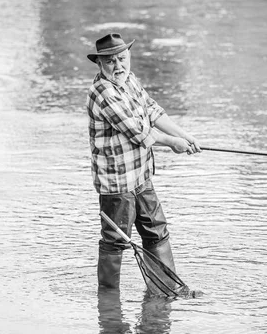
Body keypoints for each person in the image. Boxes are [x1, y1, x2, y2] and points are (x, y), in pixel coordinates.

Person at [86, 33, 201, 289]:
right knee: (115, 241)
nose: (118, 66)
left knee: (157, 231)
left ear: (129, 57)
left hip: (141, 176)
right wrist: (173, 143)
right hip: (117, 184)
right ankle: (108, 303)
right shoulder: (102, 92)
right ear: (100, 65)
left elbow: (152, 110)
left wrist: (184, 135)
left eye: (122, 59)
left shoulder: (129, 80)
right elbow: (138, 131)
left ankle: (167, 289)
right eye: (111, 62)